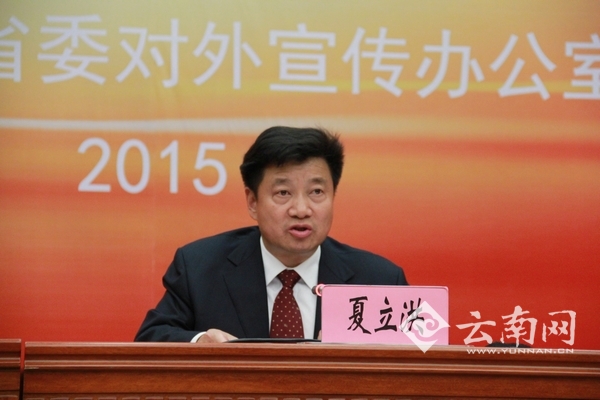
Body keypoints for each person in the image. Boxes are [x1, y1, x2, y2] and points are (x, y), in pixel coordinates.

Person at [135, 126, 408, 343]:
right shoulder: (199, 268)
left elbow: (425, 359)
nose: (301, 210)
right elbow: (151, 338)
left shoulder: (380, 280)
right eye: (283, 193)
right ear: (253, 202)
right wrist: (200, 342)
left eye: (316, 192)